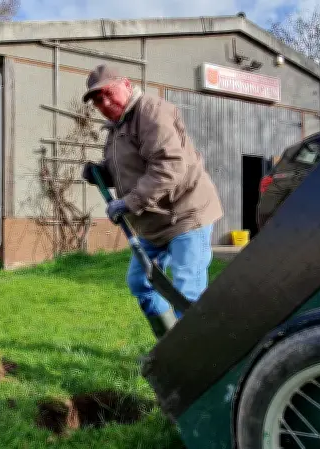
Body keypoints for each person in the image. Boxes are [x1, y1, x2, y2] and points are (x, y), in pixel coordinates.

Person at [80, 64, 223, 338]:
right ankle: (170, 343)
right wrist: (101, 173)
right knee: (139, 282)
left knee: (186, 293)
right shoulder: (116, 128)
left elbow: (167, 166)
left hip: (185, 214)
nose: (104, 103)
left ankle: (196, 365)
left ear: (127, 84)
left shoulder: (150, 111)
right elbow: (131, 170)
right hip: (155, 222)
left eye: (108, 93)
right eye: (97, 100)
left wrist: (129, 203)